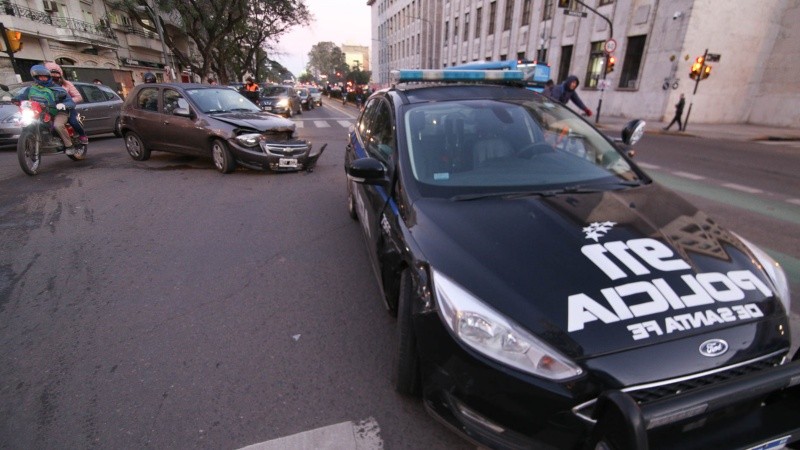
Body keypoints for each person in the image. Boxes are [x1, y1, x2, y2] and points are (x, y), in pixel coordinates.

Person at [17, 65, 76, 154]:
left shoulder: (58, 89)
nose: (43, 79)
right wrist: (14, 99)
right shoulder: (31, 89)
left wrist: (62, 105)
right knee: (26, 122)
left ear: (49, 77)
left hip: (57, 112)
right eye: (40, 77)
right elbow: (22, 97)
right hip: (39, 112)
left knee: (57, 125)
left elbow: (70, 102)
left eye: (45, 77)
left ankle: (69, 145)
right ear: (36, 78)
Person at [45, 62, 88, 145]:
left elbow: (78, 97)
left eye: (56, 73)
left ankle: (82, 135)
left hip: (67, 109)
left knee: (74, 121)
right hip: (50, 109)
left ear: (60, 74)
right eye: (51, 73)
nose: (54, 76)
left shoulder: (66, 84)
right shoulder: (44, 86)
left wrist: (65, 104)